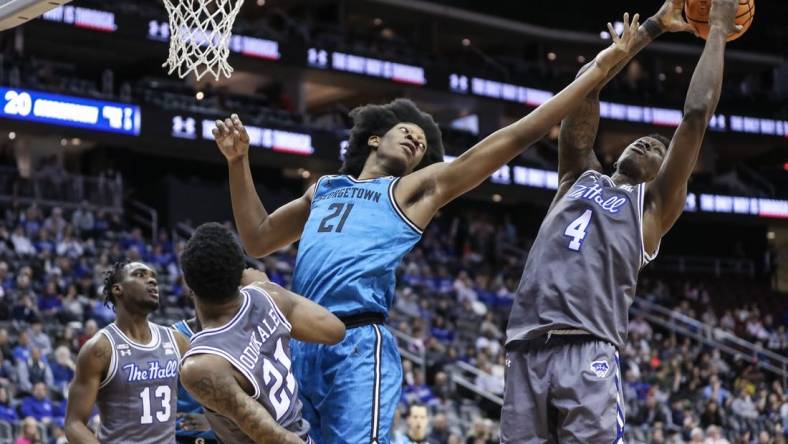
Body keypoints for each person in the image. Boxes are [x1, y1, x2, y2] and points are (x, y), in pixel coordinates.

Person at [212, 12, 639, 443]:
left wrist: (598, 72)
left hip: (358, 341)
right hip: (301, 342)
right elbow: (258, 237)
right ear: (374, 138)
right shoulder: (323, 188)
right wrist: (237, 162)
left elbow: (509, 138)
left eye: (421, 145)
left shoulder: (410, 192)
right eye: (407, 131)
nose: (417, 141)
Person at [501, 0, 741, 442]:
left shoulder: (653, 207)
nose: (650, 144)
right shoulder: (576, 174)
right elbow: (584, 91)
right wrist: (651, 28)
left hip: (587, 348)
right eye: (646, 140)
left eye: (659, 149)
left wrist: (719, 32)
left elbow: (695, 116)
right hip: (525, 348)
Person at [177, 223, 345, 443]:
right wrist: (267, 286)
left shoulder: (201, 365)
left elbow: (274, 438)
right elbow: (335, 330)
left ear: (187, 283)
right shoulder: (270, 296)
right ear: (240, 271)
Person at [65, 261, 189, 443]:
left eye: (153, 276)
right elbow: (74, 424)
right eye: (140, 275)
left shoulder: (176, 340)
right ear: (118, 289)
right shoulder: (100, 349)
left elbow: (209, 394)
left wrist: (207, 421)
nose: (152, 281)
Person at [171, 314, 217, 444]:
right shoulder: (172, 337)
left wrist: (215, 421)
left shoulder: (241, 336)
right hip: (180, 437)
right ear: (191, 293)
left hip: (223, 436)